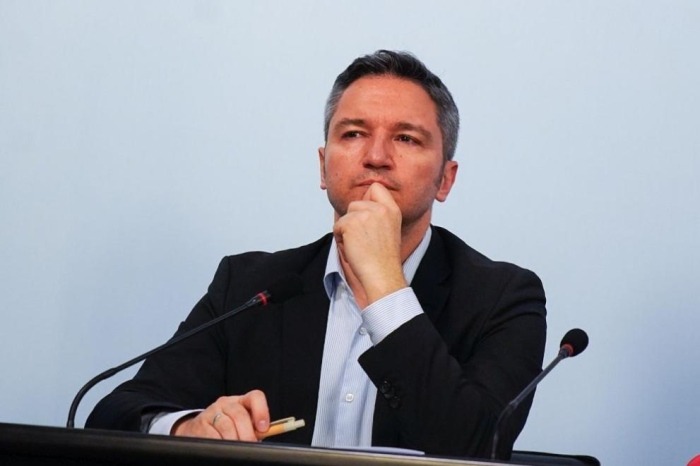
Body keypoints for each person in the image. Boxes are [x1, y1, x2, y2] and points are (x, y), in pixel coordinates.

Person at [86, 50, 547, 460]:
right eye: (354, 133)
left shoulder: (503, 298)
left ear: (445, 179)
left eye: (406, 138)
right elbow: (115, 412)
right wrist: (187, 428)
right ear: (323, 167)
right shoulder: (247, 285)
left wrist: (385, 285)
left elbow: (476, 447)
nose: (376, 156)